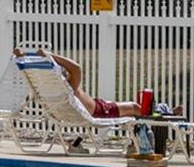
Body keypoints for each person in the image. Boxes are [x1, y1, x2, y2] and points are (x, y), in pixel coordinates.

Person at [22, 49, 182, 119]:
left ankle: (163, 112)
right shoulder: (70, 85)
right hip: (99, 111)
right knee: (136, 107)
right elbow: (76, 68)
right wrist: (51, 56)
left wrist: (21, 55)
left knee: (135, 110)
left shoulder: (47, 88)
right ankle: (166, 113)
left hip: (96, 107)